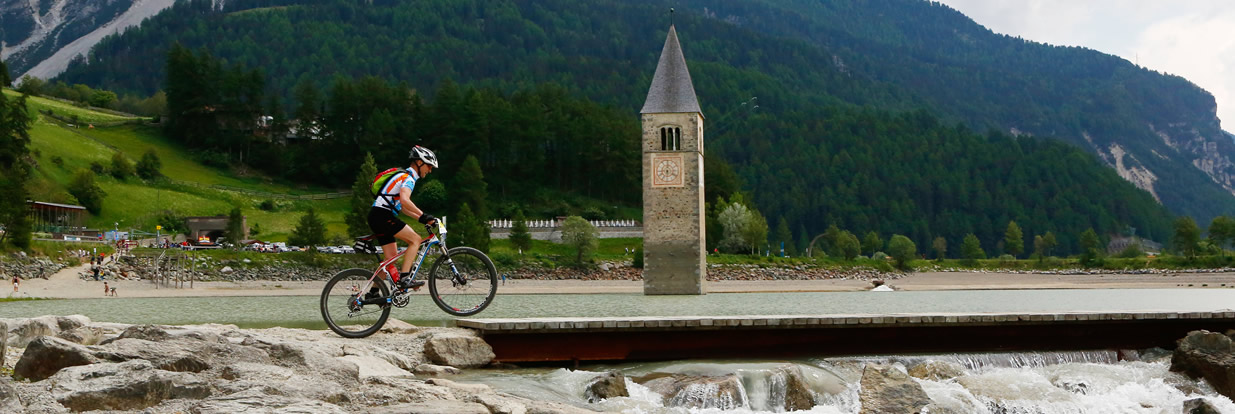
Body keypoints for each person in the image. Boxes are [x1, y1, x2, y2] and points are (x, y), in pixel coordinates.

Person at [367, 145, 439, 292]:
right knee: (415, 240)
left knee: (390, 259)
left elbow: (403, 208)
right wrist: (424, 215)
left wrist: (423, 219)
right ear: (419, 163)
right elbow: (405, 201)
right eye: (429, 166)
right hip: (382, 216)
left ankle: (372, 294)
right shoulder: (408, 178)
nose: (430, 170)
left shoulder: (403, 176)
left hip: (378, 216)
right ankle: (405, 278)